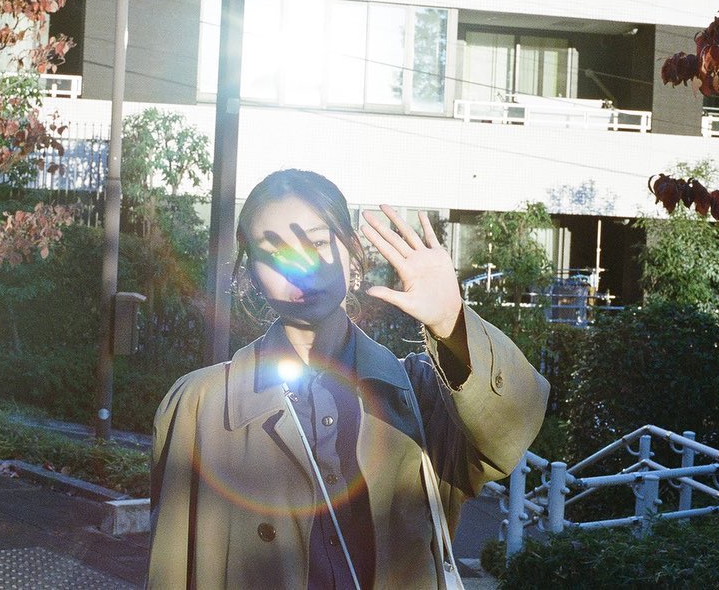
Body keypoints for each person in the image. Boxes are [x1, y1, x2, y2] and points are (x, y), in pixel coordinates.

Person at [147, 169, 549, 589]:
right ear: (250, 271)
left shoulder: (421, 392)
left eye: (318, 243)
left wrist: (452, 322)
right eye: (273, 250)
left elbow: (513, 428)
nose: (299, 266)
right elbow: (170, 570)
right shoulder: (198, 405)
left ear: (353, 253)